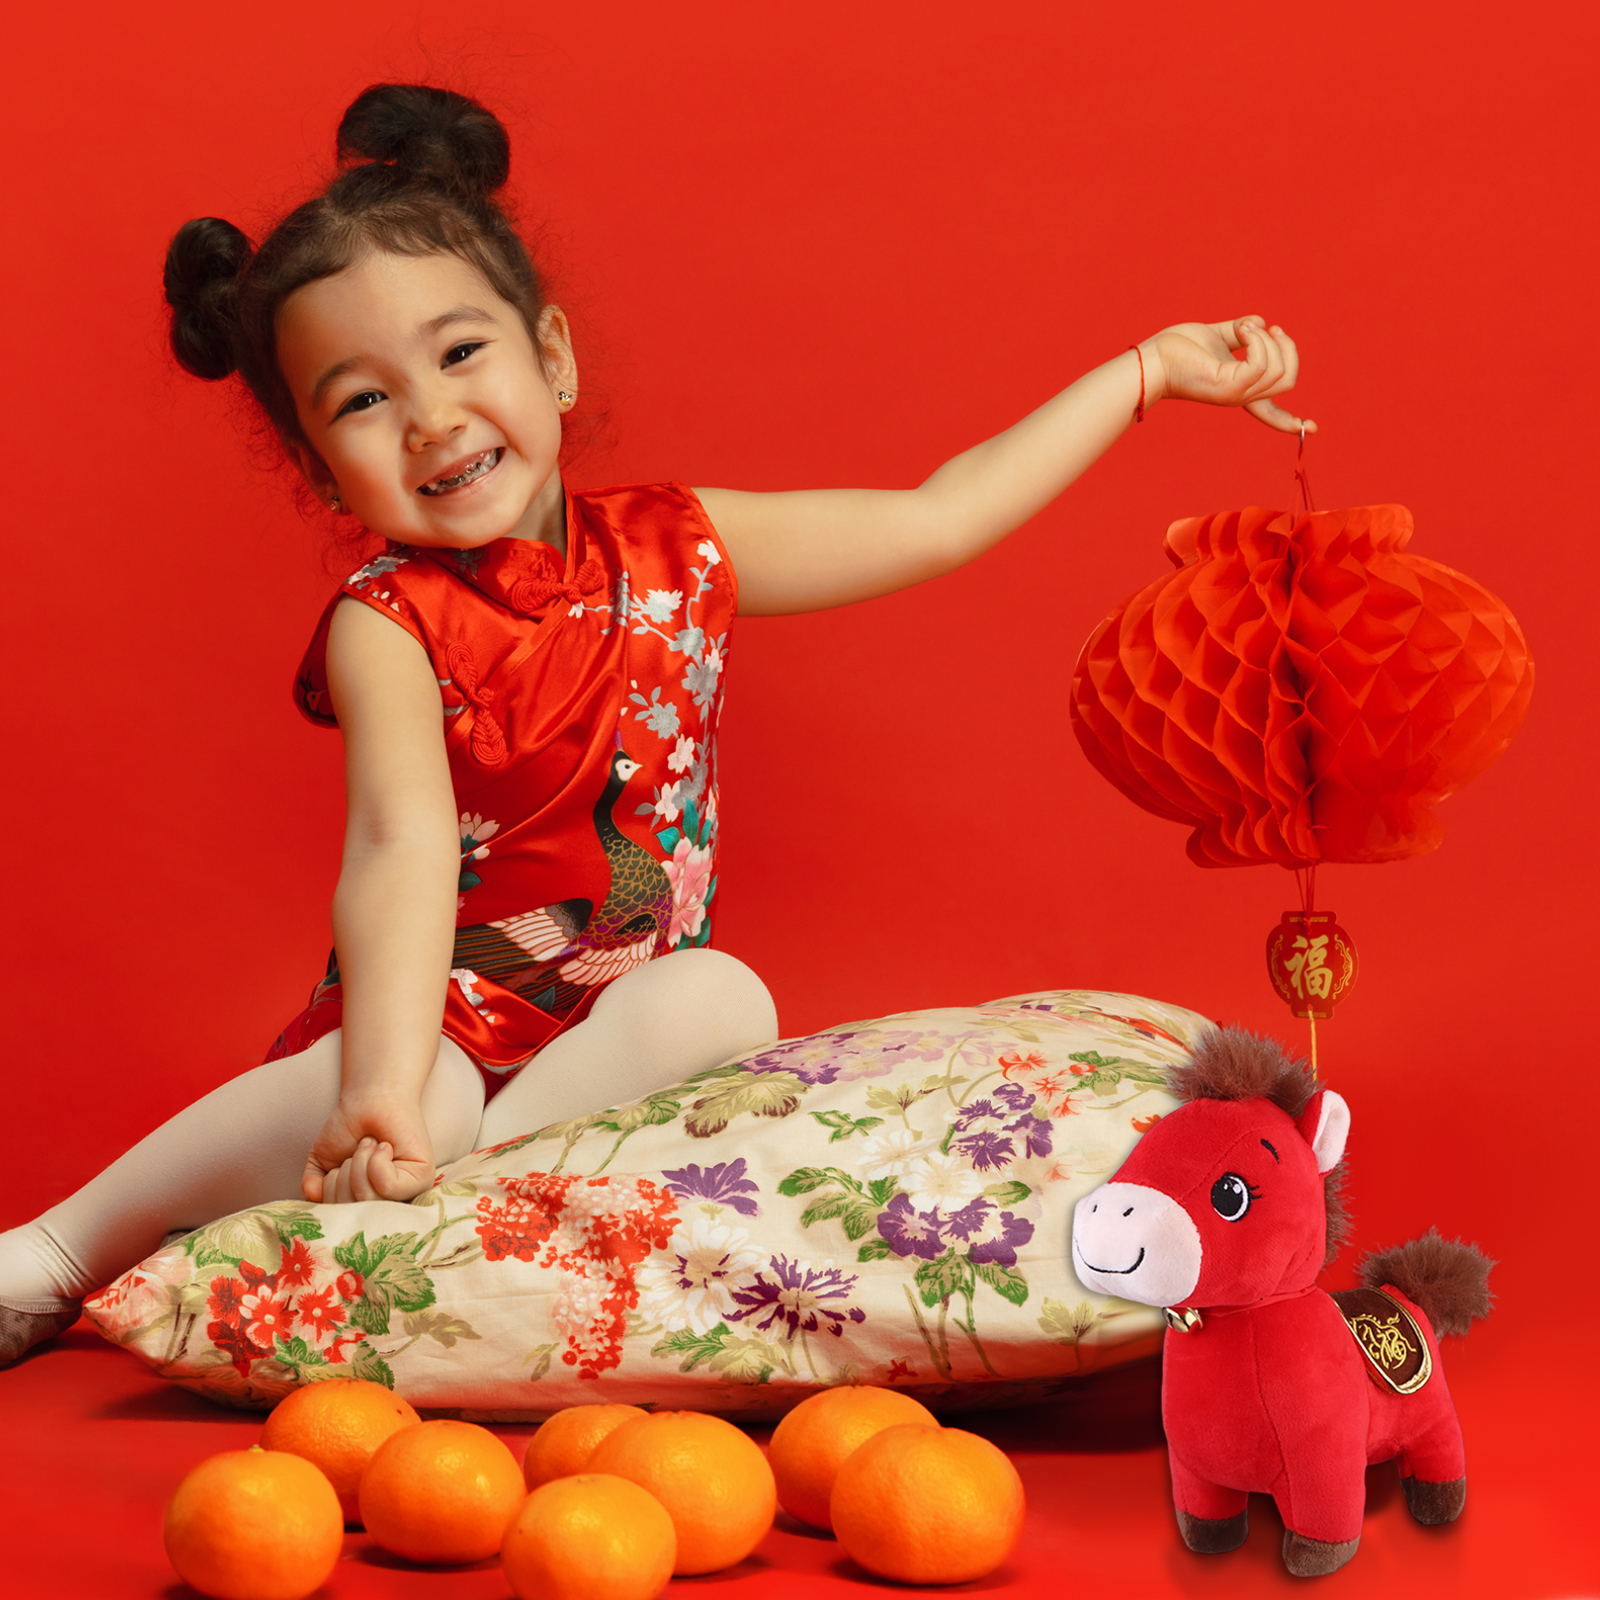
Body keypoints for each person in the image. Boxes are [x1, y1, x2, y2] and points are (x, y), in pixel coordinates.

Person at [0, 83, 1313, 1366]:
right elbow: (401, 850)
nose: (432, 418)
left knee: (719, 996)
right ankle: (61, 1250)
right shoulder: (387, 623)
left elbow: (936, 518)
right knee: (436, 1096)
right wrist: (381, 1089)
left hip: (614, 1033)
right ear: (317, 466)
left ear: (553, 359)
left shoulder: (678, 547)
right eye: (361, 399)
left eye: (459, 353)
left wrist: (1149, 372)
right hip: (436, 1018)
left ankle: (443, 1221)